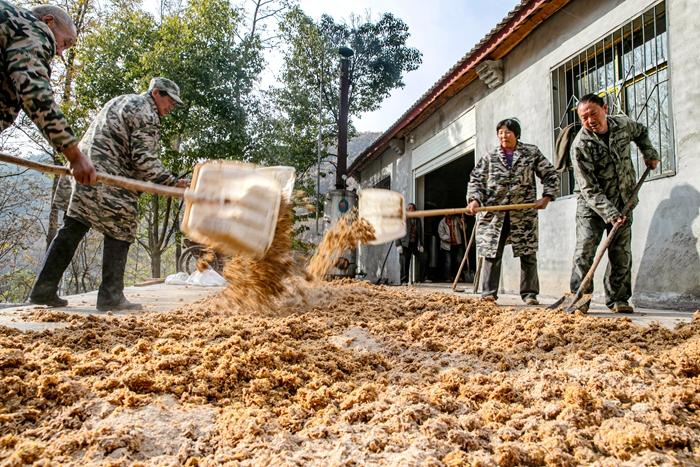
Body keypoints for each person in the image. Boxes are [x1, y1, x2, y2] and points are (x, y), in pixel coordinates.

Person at [29, 77, 188, 311]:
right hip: (109, 177)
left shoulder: (123, 100)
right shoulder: (147, 113)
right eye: (170, 101)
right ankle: (111, 297)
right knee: (122, 229)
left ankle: (44, 289)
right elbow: (144, 159)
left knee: (74, 225)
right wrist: (172, 182)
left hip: (84, 169)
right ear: (156, 93)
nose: (171, 107)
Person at [569, 93, 659, 313]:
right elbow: (588, 188)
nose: (590, 120)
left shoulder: (622, 124)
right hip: (592, 206)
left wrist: (649, 152)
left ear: (605, 108)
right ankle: (580, 299)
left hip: (624, 200)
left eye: (593, 113)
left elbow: (642, 132)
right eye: (584, 117)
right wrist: (609, 212)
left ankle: (618, 299)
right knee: (585, 251)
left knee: (621, 252)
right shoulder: (580, 145)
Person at [0, 0, 95, 184]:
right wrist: (74, 154)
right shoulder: (33, 29)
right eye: (65, 43)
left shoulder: (10, 25)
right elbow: (34, 92)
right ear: (49, 21)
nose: (59, 52)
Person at [466, 118, 558, 305]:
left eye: (508, 132)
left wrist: (547, 197)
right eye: (500, 132)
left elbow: (550, 173)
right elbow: (476, 180)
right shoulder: (489, 157)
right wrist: (474, 200)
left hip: (522, 213)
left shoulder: (530, 153)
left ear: (517, 134)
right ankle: (488, 294)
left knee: (528, 253)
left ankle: (530, 294)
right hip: (495, 214)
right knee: (492, 253)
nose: (503, 136)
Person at [395, 203, 423, 284]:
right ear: (407, 210)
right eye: (409, 208)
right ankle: (404, 281)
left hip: (414, 244)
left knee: (423, 258)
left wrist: (421, 244)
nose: (411, 209)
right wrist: (398, 245)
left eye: (413, 208)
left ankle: (420, 279)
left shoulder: (417, 219)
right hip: (404, 244)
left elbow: (420, 232)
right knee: (404, 263)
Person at [438, 214, 464, 282]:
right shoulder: (442, 222)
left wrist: (462, 222)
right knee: (448, 262)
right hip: (447, 245)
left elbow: (463, 228)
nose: (448, 214)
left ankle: (458, 277)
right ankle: (448, 277)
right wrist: (448, 238)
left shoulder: (456, 219)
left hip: (457, 243)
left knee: (459, 261)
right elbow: (441, 234)